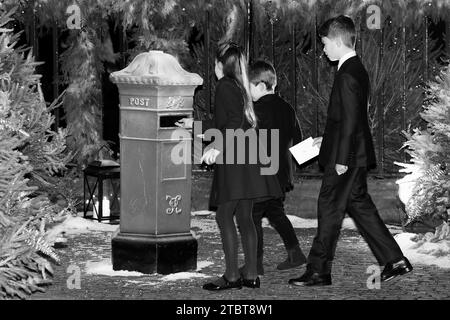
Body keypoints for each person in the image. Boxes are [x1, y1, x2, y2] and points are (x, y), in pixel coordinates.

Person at [288, 15, 412, 287]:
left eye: (324, 44)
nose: (322, 50)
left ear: (336, 41)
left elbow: (352, 120)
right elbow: (348, 118)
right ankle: (395, 260)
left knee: (329, 206)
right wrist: (327, 139)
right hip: (352, 152)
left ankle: (319, 270)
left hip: (347, 156)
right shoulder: (355, 68)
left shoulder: (347, 73)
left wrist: (341, 157)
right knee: (359, 205)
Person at [178, 43, 283, 290]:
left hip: (235, 157)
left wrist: (217, 148)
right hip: (248, 155)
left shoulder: (225, 85)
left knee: (225, 215)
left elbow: (233, 122)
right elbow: (225, 121)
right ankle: (251, 275)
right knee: (245, 217)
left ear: (218, 65)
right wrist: (194, 126)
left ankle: (232, 276)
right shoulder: (240, 85)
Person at [239, 60, 306, 275]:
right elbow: (298, 140)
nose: (246, 93)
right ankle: (295, 254)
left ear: (259, 86)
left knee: (252, 216)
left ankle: (254, 263)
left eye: (247, 87)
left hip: (260, 175)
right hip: (280, 175)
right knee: (276, 213)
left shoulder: (255, 111)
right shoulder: (287, 108)